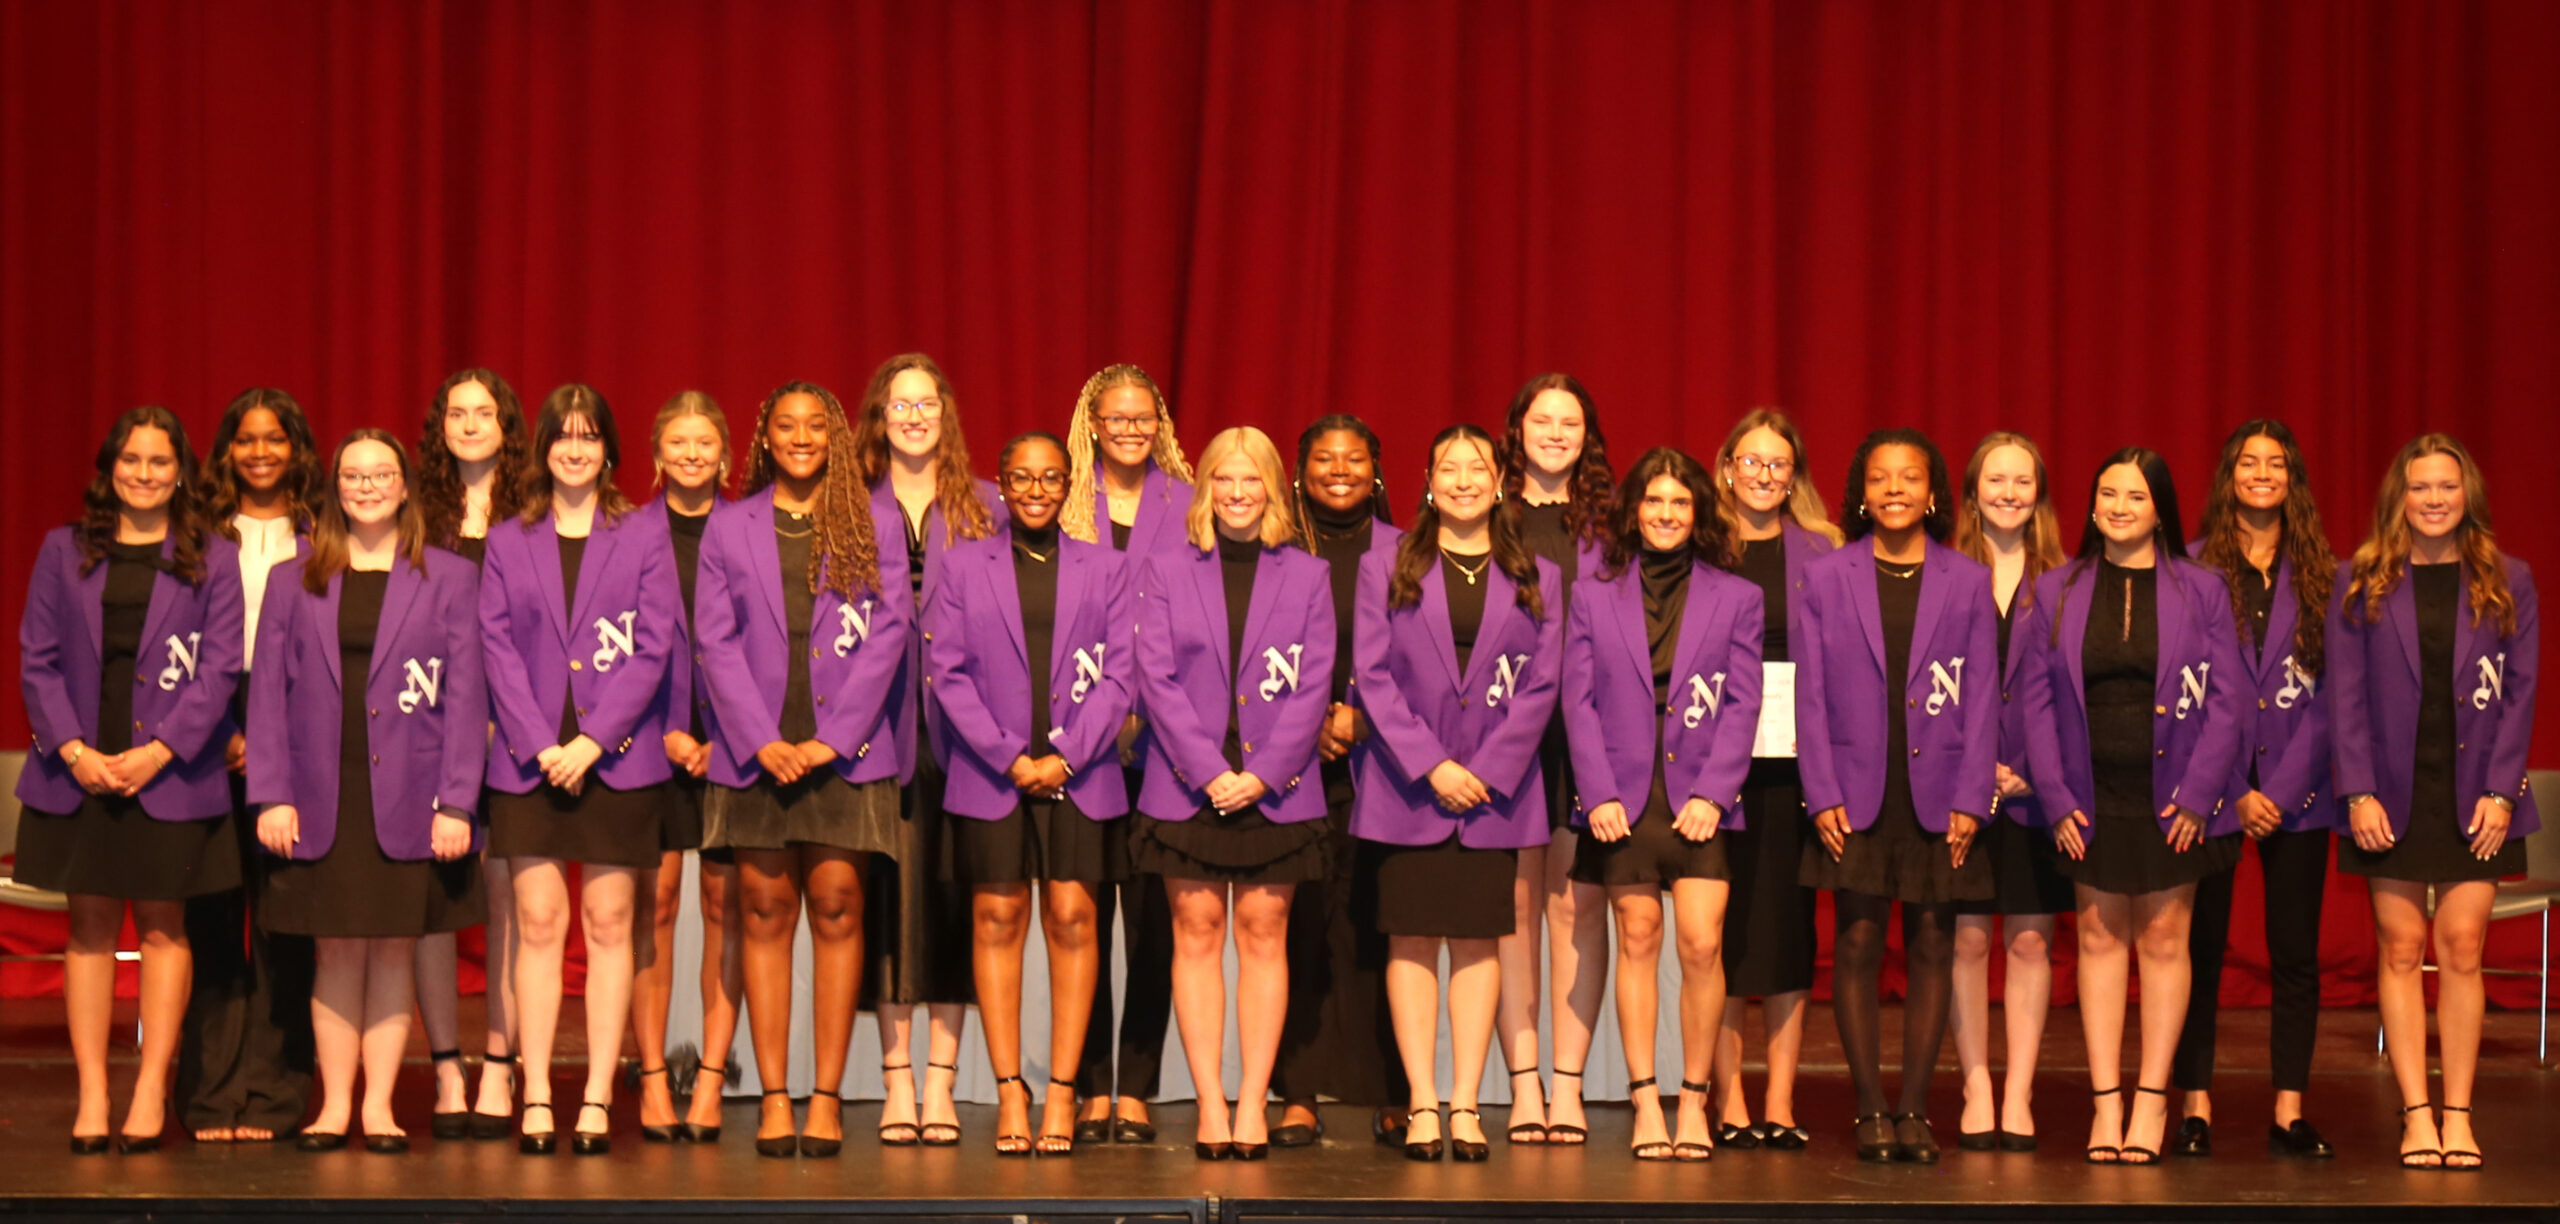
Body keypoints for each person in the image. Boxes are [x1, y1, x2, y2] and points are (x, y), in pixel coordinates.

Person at [247, 429, 487, 1154]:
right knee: (334, 954)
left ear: (406, 486)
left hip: (412, 796)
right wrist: (272, 795)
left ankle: (379, 1107)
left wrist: (457, 802)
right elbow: (266, 697)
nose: (367, 485)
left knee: (390, 950)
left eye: (382, 473)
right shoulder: (296, 576)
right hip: (320, 795)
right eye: (353, 474)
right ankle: (333, 1106)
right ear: (335, 487)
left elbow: (468, 699)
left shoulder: (446, 576)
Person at [15, 405, 246, 1153]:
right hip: (78, 770)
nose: (143, 475)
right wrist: (76, 751)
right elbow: (37, 659)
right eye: (130, 461)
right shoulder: (63, 550)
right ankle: (92, 1095)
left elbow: (218, 671)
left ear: (181, 471)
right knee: (86, 933)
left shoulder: (213, 556)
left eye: (158, 461)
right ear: (109, 468)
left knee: (161, 930)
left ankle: (149, 1090)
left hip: (168, 775)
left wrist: (159, 754)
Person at [693, 381, 910, 1159]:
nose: (801, 436)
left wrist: (834, 738)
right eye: (785, 425)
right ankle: (776, 1097)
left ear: (838, 438)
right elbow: (713, 640)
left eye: (816, 426)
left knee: (839, 903)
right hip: (758, 749)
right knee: (760, 907)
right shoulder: (730, 525)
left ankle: (827, 1097)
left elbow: (891, 633)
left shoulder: (873, 519)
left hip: (841, 752)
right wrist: (757, 739)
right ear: (765, 436)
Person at [2019, 447, 2244, 1166]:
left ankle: (2153, 1101)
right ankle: (2105, 1103)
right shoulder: (2055, 588)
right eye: (2107, 494)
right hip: (2087, 798)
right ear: (2090, 506)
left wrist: (2200, 796)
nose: (2119, 507)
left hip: (2175, 795)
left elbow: (2229, 701)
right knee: (2095, 939)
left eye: (2135, 497)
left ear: (2160, 509)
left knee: (2165, 942)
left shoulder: (2203, 589)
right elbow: (2035, 702)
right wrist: (2054, 797)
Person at [479, 384, 682, 1155]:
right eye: (563, 436)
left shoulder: (643, 535)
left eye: (590, 436)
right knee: (536, 923)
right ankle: (536, 1093)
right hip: (531, 762)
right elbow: (496, 647)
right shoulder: (507, 540)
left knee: (607, 926)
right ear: (543, 448)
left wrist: (594, 742)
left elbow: (653, 645)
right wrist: (542, 745)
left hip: (616, 759)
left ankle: (596, 1095)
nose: (575, 448)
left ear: (609, 450)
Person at [1351, 423, 1560, 1163]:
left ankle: (1466, 1104)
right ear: (1430, 478)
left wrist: (1490, 770)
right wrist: (1432, 765)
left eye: (1479, 467)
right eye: (1451, 466)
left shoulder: (1537, 572)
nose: (1465, 479)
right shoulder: (1386, 565)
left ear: (1499, 479)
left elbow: (1543, 685)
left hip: (1495, 793)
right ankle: (1421, 1104)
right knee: (1410, 940)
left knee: (1478, 943)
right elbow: (1371, 677)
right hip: (1411, 789)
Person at [2331, 433, 2537, 1172]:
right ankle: (2415, 1113)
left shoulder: (2509, 578)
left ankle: (2459, 1114)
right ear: (2400, 497)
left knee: (2461, 948)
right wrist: (2355, 790)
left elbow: (2520, 696)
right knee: (2400, 948)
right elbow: (2344, 698)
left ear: (2467, 495)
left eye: (2447, 486)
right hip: (2387, 793)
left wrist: (2500, 792)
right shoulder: (2361, 579)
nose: (2434, 499)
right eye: (2420, 487)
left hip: (2476, 795)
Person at [1795, 429, 2001, 1165]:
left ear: (1933, 492)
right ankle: (1868, 1109)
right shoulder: (1826, 578)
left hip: (1940, 792)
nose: (1893, 490)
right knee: (1854, 940)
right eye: (1880, 478)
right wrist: (1819, 795)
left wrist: (1973, 798)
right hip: (1852, 792)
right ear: (1860, 491)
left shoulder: (1968, 580)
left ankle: (1914, 1107)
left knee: (1934, 941)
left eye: (1908, 478)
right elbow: (1810, 699)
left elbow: (1982, 699)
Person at [1131, 426, 1334, 1160]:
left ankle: (1253, 1104)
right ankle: (1210, 1104)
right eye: (1225, 479)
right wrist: (1207, 770)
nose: (1238, 493)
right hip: (1188, 786)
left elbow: (1315, 684)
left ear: (1273, 487)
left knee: (1262, 936)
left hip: (1275, 789)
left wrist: (1263, 772)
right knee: (1196, 936)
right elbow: (1153, 675)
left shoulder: (1307, 575)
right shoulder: (1163, 566)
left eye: (1252, 480)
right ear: (1205, 487)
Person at [932, 431, 1132, 1156]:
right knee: (997, 916)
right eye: (1023, 477)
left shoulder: (1107, 569)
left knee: (1076, 916)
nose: (1037, 489)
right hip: (993, 774)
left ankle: (1063, 1093)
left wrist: (1067, 756)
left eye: (1051, 477)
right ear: (1003, 484)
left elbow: (1121, 674)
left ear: (1069, 483)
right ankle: (1011, 1089)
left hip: (1083, 774)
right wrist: (1008, 756)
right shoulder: (961, 566)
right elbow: (946, 672)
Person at [1562, 447, 1763, 1162]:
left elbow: (1744, 703)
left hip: (1701, 789)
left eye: (1680, 503)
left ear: (1698, 512)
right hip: (1622, 792)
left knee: (1703, 942)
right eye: (1654, 502)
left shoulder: (1737, 596)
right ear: (1633, 511)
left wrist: (1716, 791)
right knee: (1638, 936)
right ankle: (1648, 1100)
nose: (1667, 514)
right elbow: (1576, 701)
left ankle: (1696, 1100)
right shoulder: (1592, 593)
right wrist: (1597, 796)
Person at [2172, 420, 2339, 1159]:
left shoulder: (2326, 574)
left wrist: (2286, 786)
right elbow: (2190, 690)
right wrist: (2234, 788)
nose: (2262, 474)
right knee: (2199, 949)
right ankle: (2196, 1104)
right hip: (2213, 792)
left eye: (2276, 464)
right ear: (2229, 477)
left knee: (2295, 954)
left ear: (2292, 479)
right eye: (2249, 462)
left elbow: (2342, 696)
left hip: (2302, 795)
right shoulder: (2193, 569)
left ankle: (2288, 1110)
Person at [853, 353, 997, 1148]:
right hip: (877, 731)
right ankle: (896, 1079)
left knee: (953, 902)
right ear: (879, 417)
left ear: (946, 416)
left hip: (969, 737)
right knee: (888, 906)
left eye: (927, 404)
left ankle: (943, 1081)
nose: (913, 416)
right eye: (898, 405)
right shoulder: (850, 506)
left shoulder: (988, 507)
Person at [179, 388, 320, 1145]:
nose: (261, 452)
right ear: (225, 450)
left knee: (283, 926)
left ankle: (274, 1095)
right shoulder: (196, 536)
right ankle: (210, 1095)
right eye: (246, 439)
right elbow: (182, 652)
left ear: (297, 449)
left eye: (276, 439)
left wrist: (269, 742)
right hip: (206, 737)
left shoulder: (321, 535)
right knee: (211, 923)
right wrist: (224, 729)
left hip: (298, 740)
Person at [1060, 364, 1192, 1142]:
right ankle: (1087, 1085)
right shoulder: (1062, 493)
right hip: (1081, 739)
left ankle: (1136, 1085)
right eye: (1117, 418)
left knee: (1154, 922)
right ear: (1093, 421)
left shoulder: (1185, 499)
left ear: (1160, 423)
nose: (1131, 430)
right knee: (1082, 919)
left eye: (1144, 418)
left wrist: (1151, 710)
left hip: (1168, 742)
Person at [1271, 415, 1408, 1147]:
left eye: (1355, 458)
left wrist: (1364, 722)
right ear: (1300, 469)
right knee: (1298, 928)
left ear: (1377, 469)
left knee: (1376, 923)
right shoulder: (1275, 544)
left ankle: (1391, 1088)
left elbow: (1426, 661)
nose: (1340, 470)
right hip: (1291, 763)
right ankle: (1297, 1092)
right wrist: (1308, 725)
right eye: (1324, 458)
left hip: (1383, 764)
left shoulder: (1408, 549)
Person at [1706, 409, 1837, 1151]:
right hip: (1712, 769)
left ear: (1795, 475)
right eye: (1750, 461)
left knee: (1788, 934)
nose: (1763, 474)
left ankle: (1780, 1099)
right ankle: (1727, 1099)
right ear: (1726, 467)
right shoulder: (1699, 547)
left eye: (1778, 464)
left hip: (1795, 769)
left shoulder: (1821, 555)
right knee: (1717, 934)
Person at [1491, 373, 1614, 1144]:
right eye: (1543, 419)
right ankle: (1524, 1084)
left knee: (1577, 907)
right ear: (1518, 429)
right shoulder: (1484, 512)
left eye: (1571, 421)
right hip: (1504, 736)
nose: (1557, 432)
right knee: (1514, 912)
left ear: (1587, 435)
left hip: (1586, 736)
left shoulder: (1611, 523)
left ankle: (1569, 1084)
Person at [414, 367, 535, 1137]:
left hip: (517, 733)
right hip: (426, 729)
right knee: (430, 908)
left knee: (506, 907)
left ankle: (500, 1065)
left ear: (507, 423)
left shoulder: (534, 509)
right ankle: (445, 1069)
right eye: (455, 412)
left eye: (482, 412)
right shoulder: (413, 511)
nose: (468, 424)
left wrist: (504, 720)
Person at [1947, 431, 2073, 1152]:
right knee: (1965, 938)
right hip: (1959, 784)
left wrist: (2027, 764)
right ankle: (1976, 1085)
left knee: (2029, 938)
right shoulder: (1944, 574)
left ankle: (2019, 1088)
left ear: (2040, 495)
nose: (2008, 493)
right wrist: (1976, 764)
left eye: (2022, 481)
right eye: (1995, 480)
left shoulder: (2064, 579)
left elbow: (2067, 692)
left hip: (2035, 786)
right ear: (1971, 492)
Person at [628, 391, 744, 1144]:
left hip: (736, 741)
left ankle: (709, 1079)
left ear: (724, 455)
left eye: (706, 442)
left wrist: (727, 733)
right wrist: (664, 730)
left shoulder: (752, 528)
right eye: (679, 442)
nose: (693, 454)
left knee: (724, 910)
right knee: (657, 906)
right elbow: (611, 644)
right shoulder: (626, 533)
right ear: (658, 454)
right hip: (648, 739)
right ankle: (648, 1079)